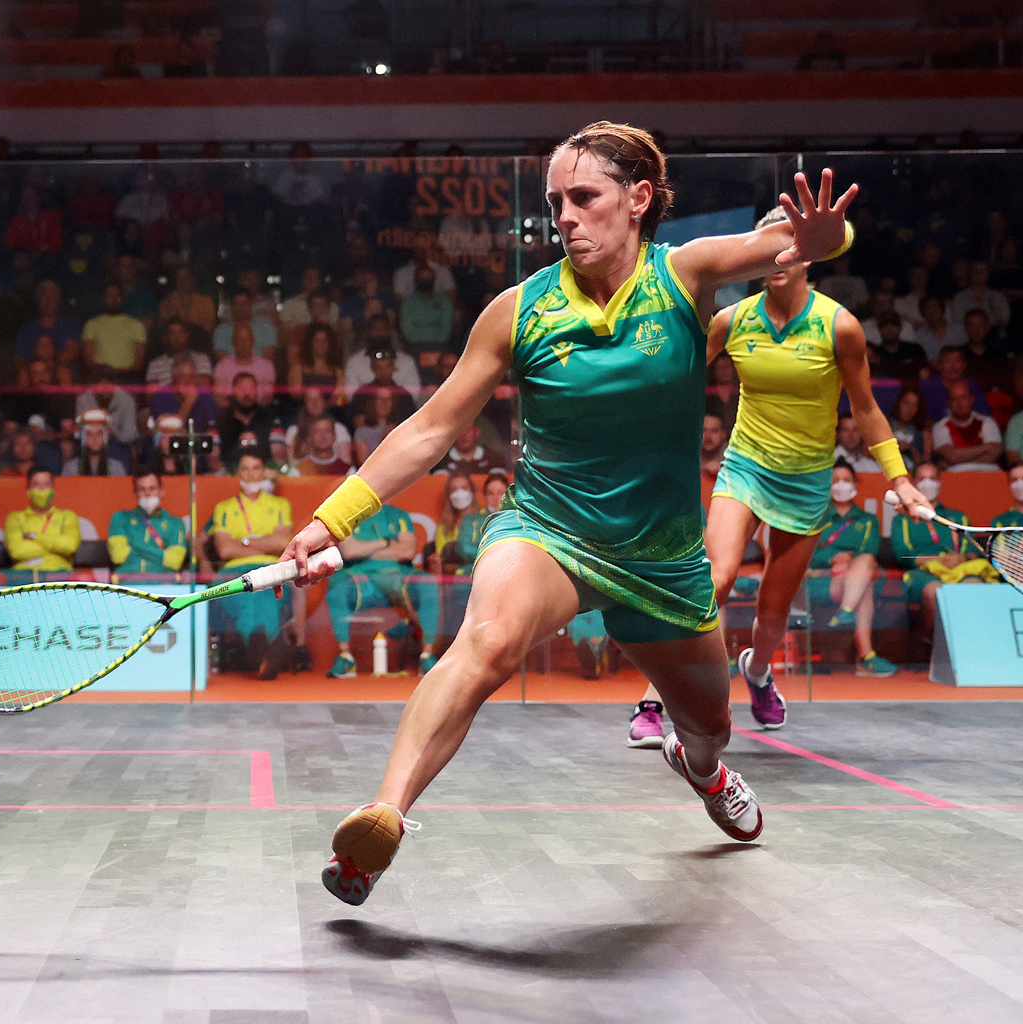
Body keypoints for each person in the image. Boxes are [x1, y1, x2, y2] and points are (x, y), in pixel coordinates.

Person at [282, 124, 890, 906]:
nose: (564, 216)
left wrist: (823, 233)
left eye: (584, 197)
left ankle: (701, 770)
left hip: (663, 558)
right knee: (489, 642)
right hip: (548, 531)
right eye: (554, 202)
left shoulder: (685, 275)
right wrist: (333, 518)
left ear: (637, 200)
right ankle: (383, 818)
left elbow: (790, 242)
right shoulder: (519, 310)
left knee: (708, 726)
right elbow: (431, 429)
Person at [643, 204, 924, 741]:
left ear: (809, 255)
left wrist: (900, 478)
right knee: (715, 578)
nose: (778, 253)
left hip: (806, 480)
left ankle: (757, 670)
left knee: (773, 612)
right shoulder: (733, 319)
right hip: (745, 465)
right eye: (768, 241)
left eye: (790, 241)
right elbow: (674, 374)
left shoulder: (838, 326)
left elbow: (865, 409)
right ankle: (655, 699)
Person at [322, 503, 440, 679]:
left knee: (427, 582)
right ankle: (346, 658)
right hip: (362, 581)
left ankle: (427, 656)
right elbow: (349, 551)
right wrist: (385, 542)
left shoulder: (398, 514)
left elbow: (407, 551)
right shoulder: (346, 514)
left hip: (398, 578)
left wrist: (364, 550)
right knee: (338, 587)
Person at [208, 451, 293, 677]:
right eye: (245, 469)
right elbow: (225, 549)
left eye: (256, 468)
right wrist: (265, 542)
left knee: (264, 595)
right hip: (233, 571)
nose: (251, 474)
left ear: (263, 471)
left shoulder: (280, 505)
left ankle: (257, 644)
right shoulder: (224, 508)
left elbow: (283, 542)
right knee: (248, 595)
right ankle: (269, 643)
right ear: (237, 474)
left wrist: (243, 541)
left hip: (271, 569)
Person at [809, 463, 897, 677]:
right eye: (835, 480)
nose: (841, 485)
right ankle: (866, 657)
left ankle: (847, 612)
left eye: (846, 480)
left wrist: (848, 562)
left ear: (856, 484)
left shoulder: (867, 520)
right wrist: (832, 558)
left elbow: (869, 551)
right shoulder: (816, 517)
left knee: (864, 562)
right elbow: (807, 555)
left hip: (852, 577)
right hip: (823, 580)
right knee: (863, 584)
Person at [892, 463, 994, 645]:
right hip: (923, 574)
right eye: (922, 479)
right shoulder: (902, 519)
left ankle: (971, 645)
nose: (927, 483)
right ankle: (934, 644)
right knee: (935, 592)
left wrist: (960, 558)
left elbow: (972, 550)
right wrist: (938, 560)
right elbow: (903, 556)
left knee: (974, 585)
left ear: (940, 481)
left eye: (932, 478)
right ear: (913, 482)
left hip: (958, 570)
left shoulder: (957, 517)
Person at [0, 469, 80, 585]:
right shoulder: (16, 518)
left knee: (84, 579)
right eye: (36, 484)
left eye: (46, 484)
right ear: (28, 490)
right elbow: (16, 551)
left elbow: (69, 546)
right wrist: (55, 549)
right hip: (23, 573)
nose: (42, 489)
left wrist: (34, 536)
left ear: (53, 489)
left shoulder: (67, 516)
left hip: (58, 572)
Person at [107, 470, 189, 581]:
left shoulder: (175, 523)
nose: (147, 493)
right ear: (135, 493)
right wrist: (162, 554)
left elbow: (175, 561)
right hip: (128, 584)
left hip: (163, 585)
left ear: (161, 491)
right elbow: (119, 556)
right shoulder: (120, 518)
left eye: (152, 488)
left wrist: (134, 546)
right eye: (142, 489)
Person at [931, 380, 1002, 472]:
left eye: (963, 397)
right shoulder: (940, 426)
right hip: (955, 476)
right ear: (949, 402)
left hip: (988, 474)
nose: (959, 403)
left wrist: (959, 459)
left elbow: (994, 455)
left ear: (971, 400)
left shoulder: (987, 422)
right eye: (954, 398)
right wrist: (986, 447)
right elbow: (952, 456)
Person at [82, 283, 148, 380]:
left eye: (117, 295)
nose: (113, 299)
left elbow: (139, 361)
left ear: (122, 298)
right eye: (109, 295)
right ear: (103, 299)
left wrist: (121, 372)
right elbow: (88, 358)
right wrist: (104, 372)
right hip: (100, 378)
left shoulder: (136, 325)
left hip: (127, 378)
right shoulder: (92, 324)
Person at [216, 372, 276, 465]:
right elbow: (215, 458)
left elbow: (277, 455)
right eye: (242, 389)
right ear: (233, 391)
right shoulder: (221, 420)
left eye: (251, 389)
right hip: (230, 475)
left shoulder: (269, 418)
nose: (247, 393)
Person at [212, 324, 276, 406]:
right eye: (240, 339)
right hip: (231, 413)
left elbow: (267, 396)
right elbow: (219, 396)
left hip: (259, 413)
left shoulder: (266, 366)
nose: (243, 343)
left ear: (253, 342)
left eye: (247, 339)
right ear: (233, 342)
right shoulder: (222, 366)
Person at [920, 347, 989, 422]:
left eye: (957, 361)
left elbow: (984, 417)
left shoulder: (973, 386)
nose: (953, 366)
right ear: (939, 366)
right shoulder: (928, 386)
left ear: (963, 365)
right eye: (947, 362)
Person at [212, 288, 277, 359]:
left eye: (244, 303)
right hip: (231, 369)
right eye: (237, 304)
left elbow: (267, 359)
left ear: (251, 303)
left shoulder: (266, 328)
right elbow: (222, 361)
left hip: (260, 369)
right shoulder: (221, 331)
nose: (241, 307)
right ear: (231, 306)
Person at [145, 317, 212, 386]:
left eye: (180, 333)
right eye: (172, 334)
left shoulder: (202, 359)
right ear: (165, 338)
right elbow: (150, 394)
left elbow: (205, 387)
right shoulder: (155, 364)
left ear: (186, 335)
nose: (177, 337)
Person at [63, 407, 128, 476]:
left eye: (99, 434)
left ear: (106, 438)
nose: (95, 439)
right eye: (89, 434)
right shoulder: (71, 468)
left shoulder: (116, 468)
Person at [888, 388, 930, 469]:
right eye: (906, 403)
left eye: (914, 405)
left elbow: (925, 464)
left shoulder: (923, 432)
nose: (909, 409)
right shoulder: (885, 426)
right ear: (899, 403)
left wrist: (911, 449)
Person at [699, 413, 727, 478]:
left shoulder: (732, 454)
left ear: (723, 434)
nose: (708, 436)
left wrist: (723, 470)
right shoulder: (688, 450)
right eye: (704, 430)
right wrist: (704, 468)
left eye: (714, 431)